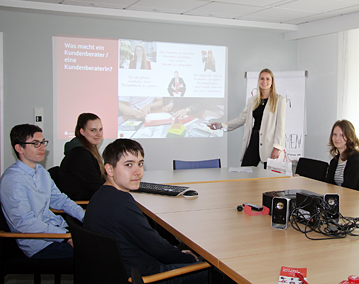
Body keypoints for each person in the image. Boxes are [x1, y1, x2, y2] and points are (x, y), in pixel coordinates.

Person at [84, 139, 208, 282]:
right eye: (129, 165)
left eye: (140, 164)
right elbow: (157, 248)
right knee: (219, 271)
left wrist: (177, 253)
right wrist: (187, 257)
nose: (138, 172)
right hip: (147, 276)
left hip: (118, 271)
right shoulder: (122, 203)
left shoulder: (101, 195)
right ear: (110, 169)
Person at [0, 124, 85, 259]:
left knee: (104, 242)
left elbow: (60, 200)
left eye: (43, 142)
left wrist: (85, 217)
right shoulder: (13, 180)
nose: (43, 148)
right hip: (38, 243)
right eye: (35, 144)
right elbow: (25, 223)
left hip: (56, 231)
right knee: (96, 254)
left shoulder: (41, 172)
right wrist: (64, 236)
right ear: (19, 148)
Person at [209, 68, 286, 167]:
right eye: (262, 79)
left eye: (268, 79)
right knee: (245, 170)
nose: (264, 81)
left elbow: (281, 126)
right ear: (259, 81)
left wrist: (277, 147)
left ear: (272, 82)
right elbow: (241, 119)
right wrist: (221, 125)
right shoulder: (252, 101)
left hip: (270, 144)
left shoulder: (279, 100)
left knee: (271, 177)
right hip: (254, 139)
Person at [58, 113, 105, 200]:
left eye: (100, 129)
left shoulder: (87, 150)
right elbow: (97, 186)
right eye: (93, 130)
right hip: (83, 206)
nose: (99, 134)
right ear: (82, 132)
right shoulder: (79, 154)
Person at [325, 120, 359, 192]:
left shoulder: (356, 161)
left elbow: (349, 188)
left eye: (342, 135)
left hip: (353, 200)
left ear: (349, 137)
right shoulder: (334, 161)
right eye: (335, 134)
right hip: (339, 198)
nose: (337, 138)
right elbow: (329, 185)